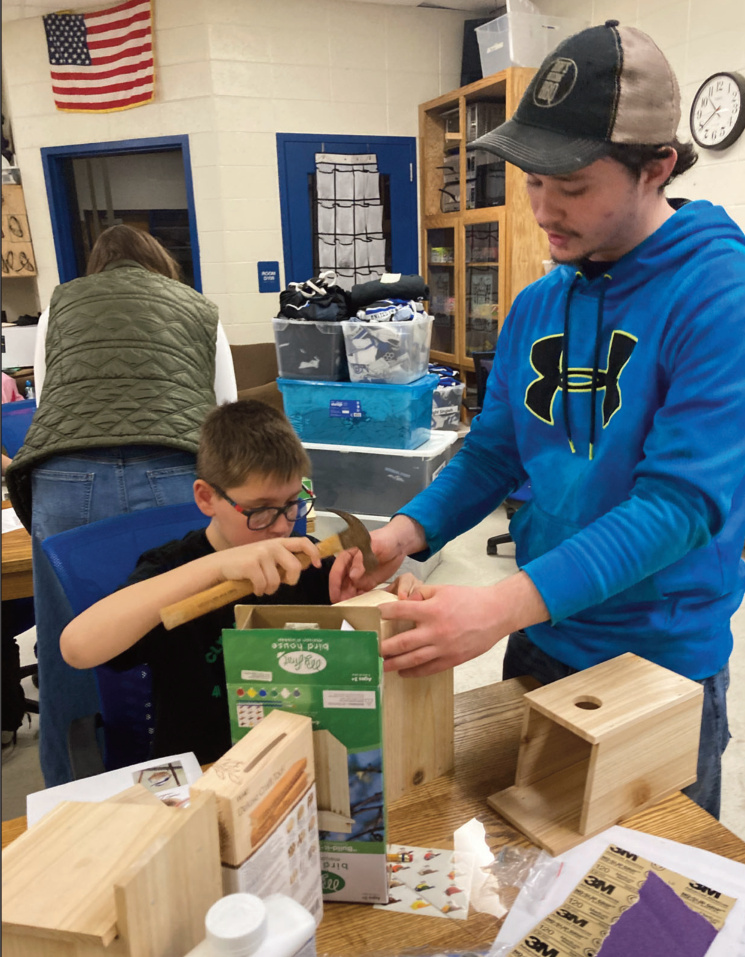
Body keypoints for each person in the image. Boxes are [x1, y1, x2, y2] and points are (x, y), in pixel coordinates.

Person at [330, 21, 745, 819]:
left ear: (656, 167)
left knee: (642, 910)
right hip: (540, 635)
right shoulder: (537, 302)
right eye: (531, 181)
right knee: (530, 894)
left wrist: (498, 602)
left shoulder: (719, 294)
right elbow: (492, 455)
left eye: (574, 185)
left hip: (654, 660)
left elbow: (679, 505)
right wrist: (402, 533)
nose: (545, 210)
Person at [6, 224, 237, 786]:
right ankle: (204, 784)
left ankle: (75, 801)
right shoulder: (198, 308)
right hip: (177, 470)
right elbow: (227, 415)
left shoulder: (61, 303)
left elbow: (46, 396)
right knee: (185, 635)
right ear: (161, 264)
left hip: (67, 475)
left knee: (70, 649)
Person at [59, 400, 414, 765]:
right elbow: (77, 647)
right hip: (206, 771)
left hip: (300, 758)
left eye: (293, 502)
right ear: (206, 497)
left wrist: (380, 605)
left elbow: (343, 669)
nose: (280, 525)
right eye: (260, 509)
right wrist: (216, 567)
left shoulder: (307, 558)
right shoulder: (171, 568)